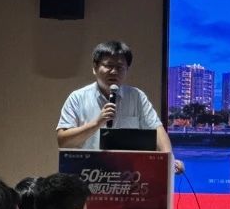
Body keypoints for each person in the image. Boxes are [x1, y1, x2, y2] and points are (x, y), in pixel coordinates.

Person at [56, 40, 183, 173]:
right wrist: (96, 123)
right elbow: (63, 142)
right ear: (95, 67)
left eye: (120, 67)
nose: (114, 71)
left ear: (127, 70)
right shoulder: (77, 98)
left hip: (127, 175)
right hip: (86, 173)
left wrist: (169, 160)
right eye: (108, 65)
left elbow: (157, 130)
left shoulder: (137, 97)